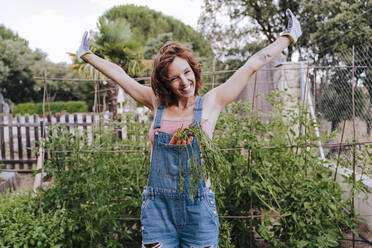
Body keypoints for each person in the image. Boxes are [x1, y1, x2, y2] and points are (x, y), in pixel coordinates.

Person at [77, 9, 301, 248]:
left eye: (187, 72)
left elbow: (252, 65)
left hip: (199, 209)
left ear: (194, 69)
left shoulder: (212, 102)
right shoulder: (156, 103)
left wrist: (288, 37)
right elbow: (121, 76)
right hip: (158, 209)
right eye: (174, 78)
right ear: (165, 83)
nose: (184, 82)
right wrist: (87, 54)